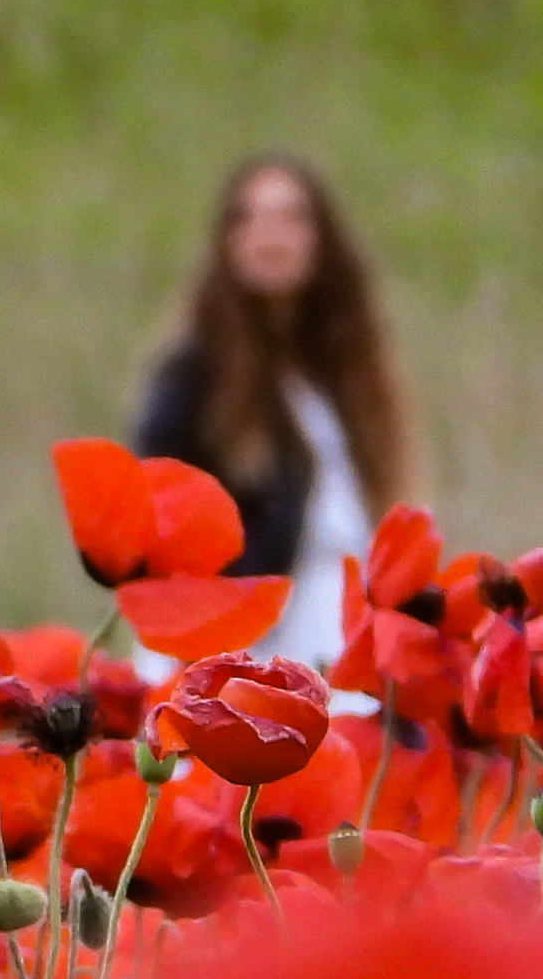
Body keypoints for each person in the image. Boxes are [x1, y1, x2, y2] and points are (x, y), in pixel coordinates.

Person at [129, 153, 414, 665]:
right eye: (250, 218)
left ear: (321, 241)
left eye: (291, 218)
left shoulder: (336, 375)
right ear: (229, 242)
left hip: (335, 619)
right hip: (243, 639)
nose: (271, 235)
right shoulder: (194, 375)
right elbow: (159, 514)